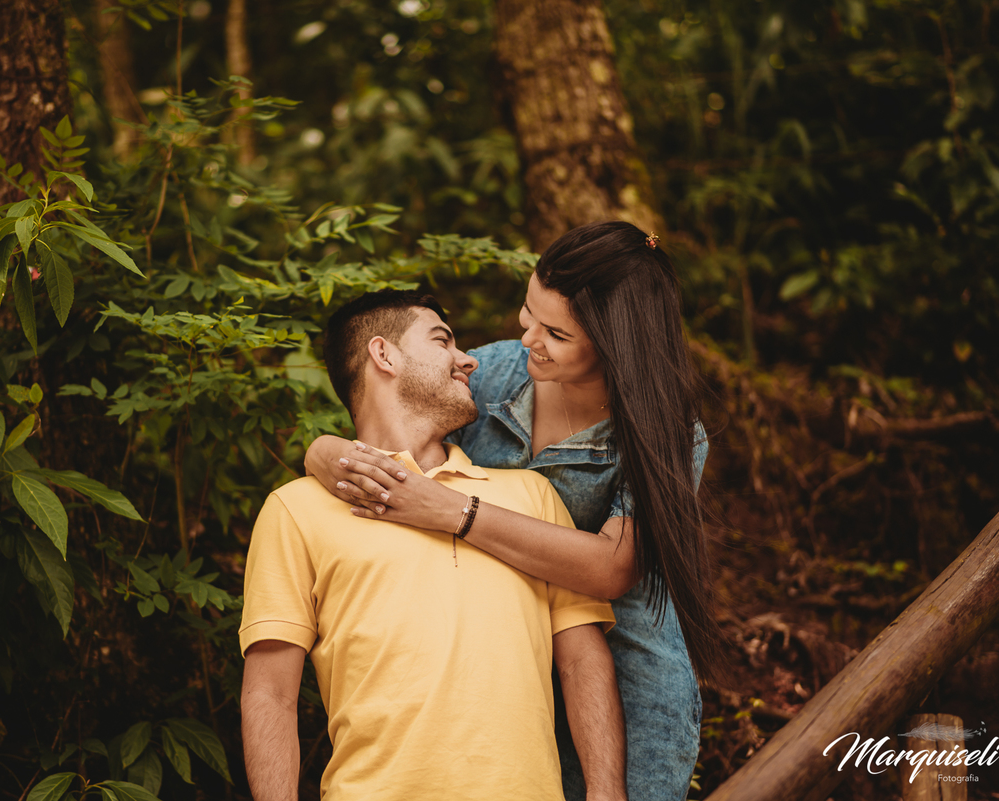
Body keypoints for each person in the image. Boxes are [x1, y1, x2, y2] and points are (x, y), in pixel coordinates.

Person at [305, 221, 720, 801]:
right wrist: (324, 452)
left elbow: (613, 568)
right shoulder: (498, 370)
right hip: (502, 640)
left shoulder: (667, 431)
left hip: (621, 659)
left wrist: (454, 510)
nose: (529, 339)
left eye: (556, 333)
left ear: (615, 346)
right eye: (528, 313)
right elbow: (398, 418)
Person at [240, 290, 627, 801]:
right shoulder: (296, 509)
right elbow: (270, 691)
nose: (469, 360)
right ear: (384, 355)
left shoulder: (529, 495)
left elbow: (580, 660)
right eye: (442, 339)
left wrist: (607, 795)